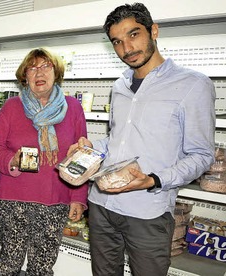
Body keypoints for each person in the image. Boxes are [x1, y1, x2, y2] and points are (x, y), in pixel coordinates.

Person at [68, 3, 215, 275]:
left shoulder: (194, 84)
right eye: (117, 41)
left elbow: (202, 154)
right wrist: (91, 147)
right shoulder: (119, 86)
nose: (126, 48)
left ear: (154, 31)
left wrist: (154, 180)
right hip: (101, 205)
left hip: (147, 210)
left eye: (133, 35)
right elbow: (119, 139)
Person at [0, 48, 88, 276]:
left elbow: (79, 158)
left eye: (45, 66)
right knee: (9, 264)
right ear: (25, 76)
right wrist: (12, 160)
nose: (39, 72)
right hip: (13, 199)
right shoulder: (12, 107)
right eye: (32, 68)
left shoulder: (73, 108)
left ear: (56, 72)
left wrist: (78, 198)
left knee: (41, 267)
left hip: (55, 200)